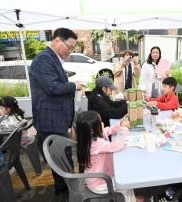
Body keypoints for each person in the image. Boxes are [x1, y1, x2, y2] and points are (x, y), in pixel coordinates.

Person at [29, 28, 83, 195]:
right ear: (58, 41)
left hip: (56, 119)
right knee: (60, 159)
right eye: (70, 47)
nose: (70, 51)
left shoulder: (52, 58)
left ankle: (67, 189)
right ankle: (66, 192)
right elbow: (52, 87)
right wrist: (74, 86)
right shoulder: (44, 59)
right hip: (50, 120)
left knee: (62, 157)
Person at [76, 111, 136, 201]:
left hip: (95, 178)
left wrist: (119, 124)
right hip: (99, 183)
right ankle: (130, 199)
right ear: (93, 130)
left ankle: (131, 197)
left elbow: (106, 131)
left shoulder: (87, 139)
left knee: (126, 181)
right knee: (127, 184)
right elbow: (116, 146)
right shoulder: (96, 143)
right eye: (100, 123)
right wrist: (124, 130)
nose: (102, 123)